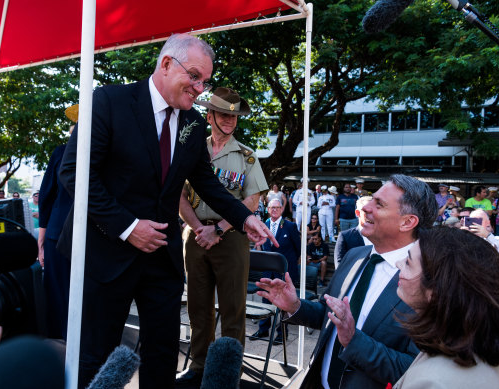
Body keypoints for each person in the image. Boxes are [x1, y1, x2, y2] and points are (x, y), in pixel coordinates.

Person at [57, 34, 276, 389]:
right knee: (98, 355)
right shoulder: (109, 101)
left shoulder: (193, 123)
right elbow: (75, 174)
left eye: (204, 81)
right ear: (166, 64)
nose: (199, 88)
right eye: (194, 76)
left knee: (162, 353)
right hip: (105, 253)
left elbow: (206, 183)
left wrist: (245, 217)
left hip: (161, 259)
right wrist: (128, 227)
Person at [257, 174, 438, 389]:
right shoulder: (355, 256)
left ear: (408, 222)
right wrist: (295, 306)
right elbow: (329, 315)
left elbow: (414, 371)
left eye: (378, 204)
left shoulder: (431, 282)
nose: (365, 208)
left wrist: (354, 340)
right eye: (371, 199)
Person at [176, 87, 268, 386]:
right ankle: (199, 366)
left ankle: (229, 371)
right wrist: (199, 228)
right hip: (195, 236)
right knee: (197, 307)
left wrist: (217, 229)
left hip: (230, 239)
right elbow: (178, 195)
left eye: (234, 116)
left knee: (232, 309)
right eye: (224, 114)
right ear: (210, 115)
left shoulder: (247, 157)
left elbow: (250, 203)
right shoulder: (191, 149)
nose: (230, 120)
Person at [393, 227, 499, 388]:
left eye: (408, 262)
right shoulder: (472, 343)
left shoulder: (435, 382)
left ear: (435, 292)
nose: (397, 264)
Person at [37, 104, 77, 339]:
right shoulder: (62, 152)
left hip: (60, 231)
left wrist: (42, 237)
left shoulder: (61, 152)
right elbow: (47, 195)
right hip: (62, 231)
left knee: (59, 296)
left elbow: (47, 194)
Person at [250, 198, 300, 345]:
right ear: (267, 209)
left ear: (281, 209)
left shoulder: (290, 226)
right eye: (272, 208)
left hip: (284, 273)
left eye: (277, 207)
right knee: (265, 300)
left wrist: (289, 267)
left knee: (283, 303)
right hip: (268, 272)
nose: (274, 210)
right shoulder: (263, 225)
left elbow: (298, 250)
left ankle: (282, 333)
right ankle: (263, 329)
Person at [334, 196, 372, 266]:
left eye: (373, 211)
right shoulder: (345, 237)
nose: (371, 216)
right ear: (357, 213)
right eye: (367, 211)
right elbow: (340, 267)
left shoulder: (383, 236)